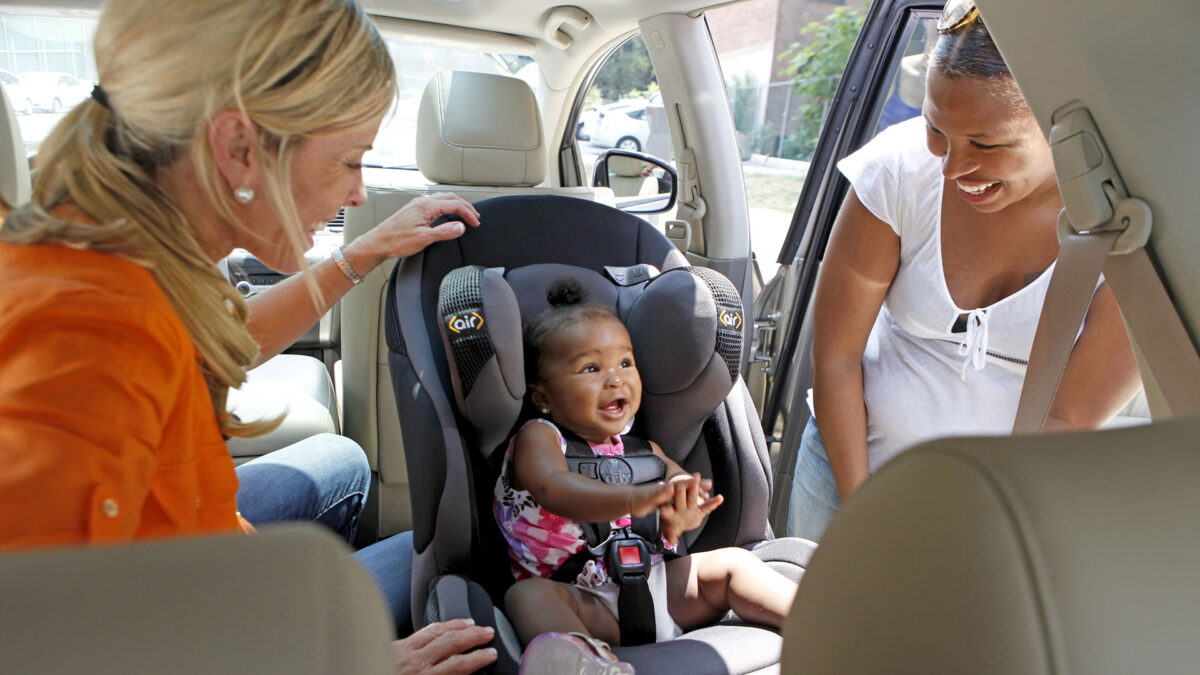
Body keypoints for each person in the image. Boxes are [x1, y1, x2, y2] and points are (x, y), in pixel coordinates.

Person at [0, 0, 496, 672]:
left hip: (199, 561)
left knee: (341, 461)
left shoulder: (129, 250)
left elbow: (225, 340)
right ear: (238, 149)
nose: (357, 193)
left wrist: (368, 249)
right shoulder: (92, 337)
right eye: (350, 160)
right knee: (452, 588)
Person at [787, 3, 1143, 543]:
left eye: (986, 144)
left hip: (994, 513)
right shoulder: (900, 170)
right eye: (936, 128)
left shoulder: (1127, 233)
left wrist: (982, 539)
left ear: (1061, 125)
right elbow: (836, 359)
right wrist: (860, 513)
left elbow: (1065, 422)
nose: (952, 167)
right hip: (845, 478)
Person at [495, 280, 799, 674]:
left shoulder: (643, 449)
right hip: (578, 599)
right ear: (543, 397)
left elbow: (675, 505)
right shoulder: (539, 437)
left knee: (734, 565)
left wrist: (682, 515)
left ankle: (819, 623)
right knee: (526, 596)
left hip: (657, 588)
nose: (615, 379)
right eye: (591, 368)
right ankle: (584, 663)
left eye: (625, 363)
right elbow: (553, 488)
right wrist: (632, 499)